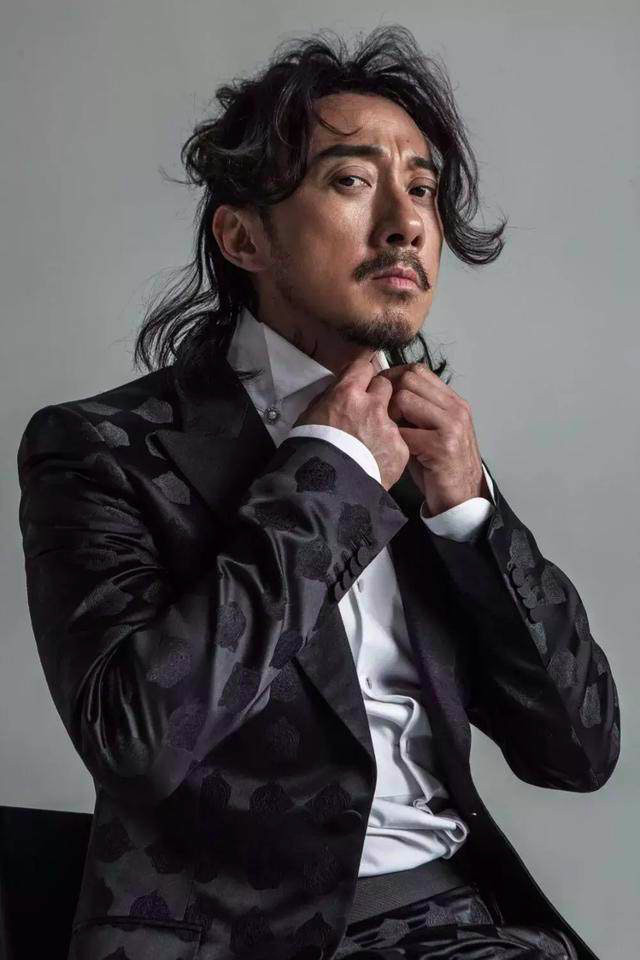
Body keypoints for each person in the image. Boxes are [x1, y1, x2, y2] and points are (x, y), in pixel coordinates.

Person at [17, 24, 619, 960]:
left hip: (461, 924)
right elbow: (138, 741)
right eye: (351, 180)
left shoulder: (431, 455)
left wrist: (471, 512)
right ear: (243, 236)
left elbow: (578, 753)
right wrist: (329, 472)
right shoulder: (100, 450)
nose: (407, 222)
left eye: (422, 189)